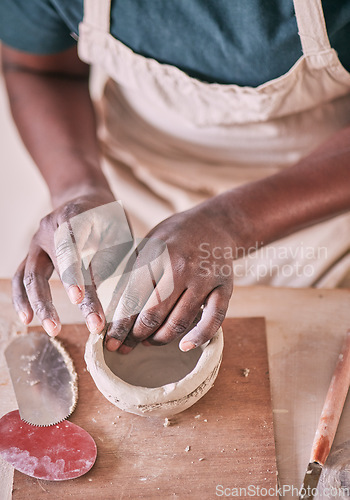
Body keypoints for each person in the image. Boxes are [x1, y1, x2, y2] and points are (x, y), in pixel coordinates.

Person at [1, 0, 350, 354]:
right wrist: (77, 186)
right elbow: (40, 69)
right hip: (127, 186)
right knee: (50, 339)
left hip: (317, 199)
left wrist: (230, 221)